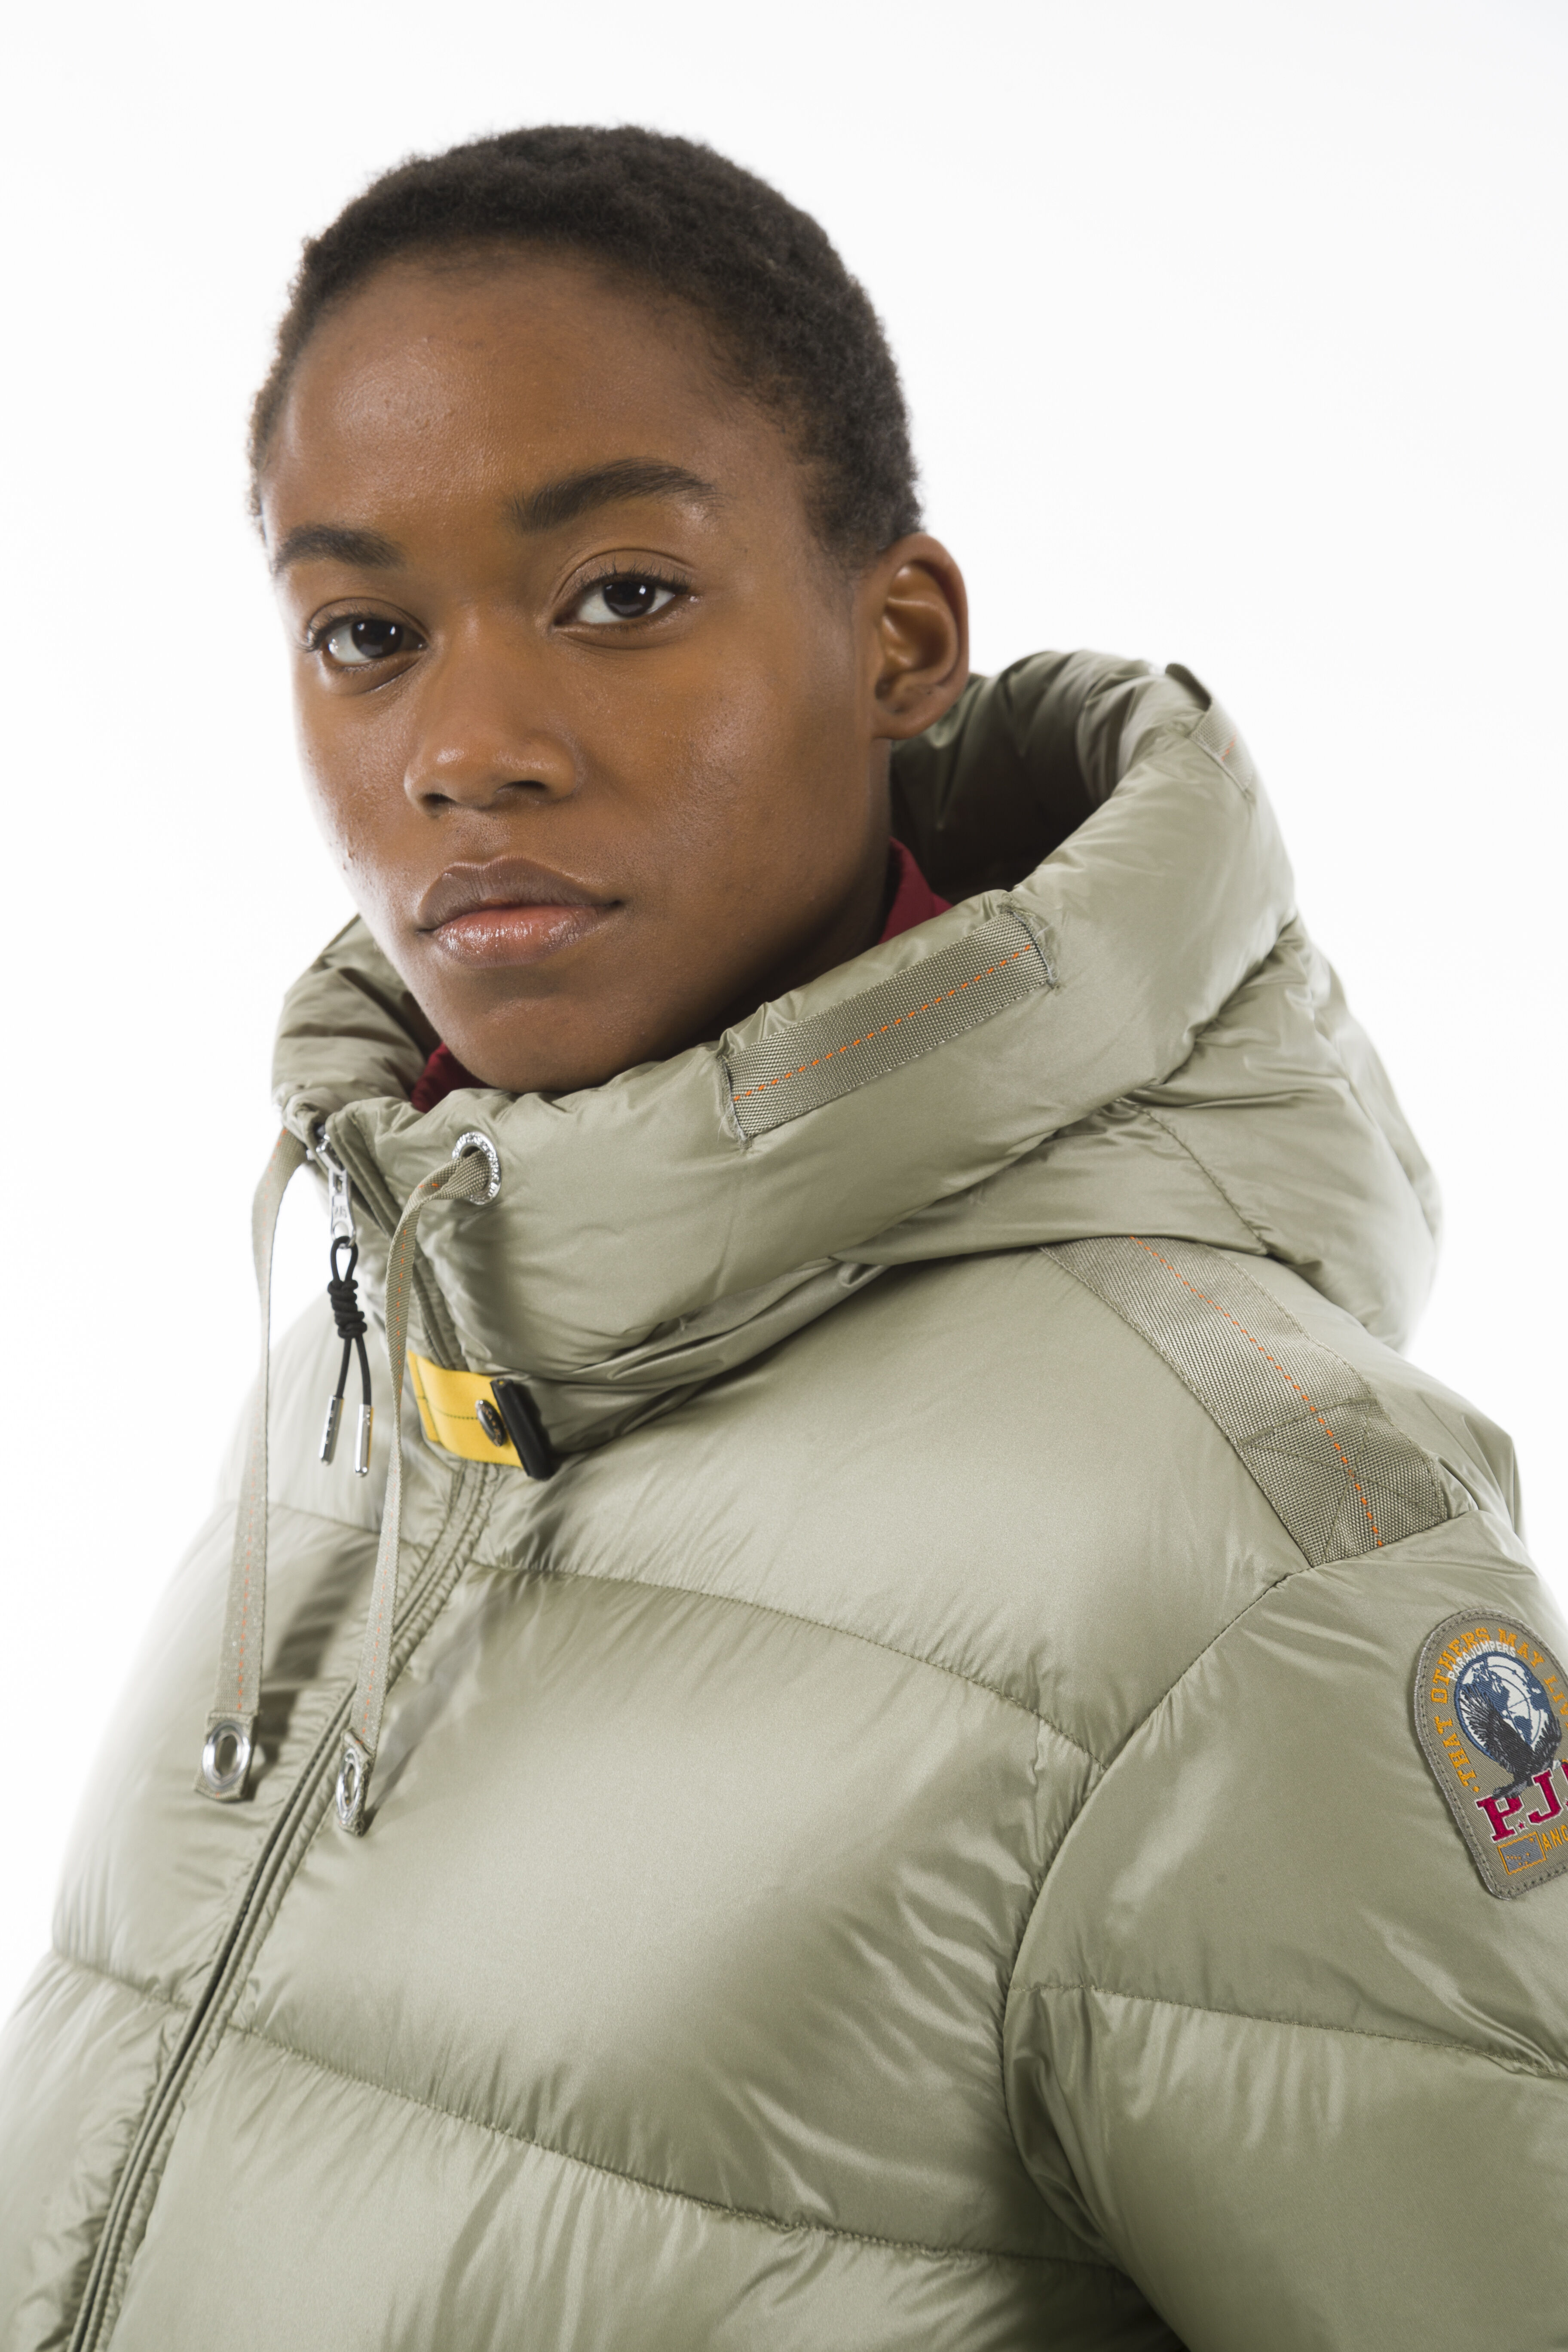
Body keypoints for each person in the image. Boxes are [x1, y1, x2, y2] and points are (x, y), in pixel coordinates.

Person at [0, 123, 1562, 2352]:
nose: (468, 749)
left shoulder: (1250, 1555)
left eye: (620, 596)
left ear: (898, 639)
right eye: (367, 633)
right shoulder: (389, 1348)